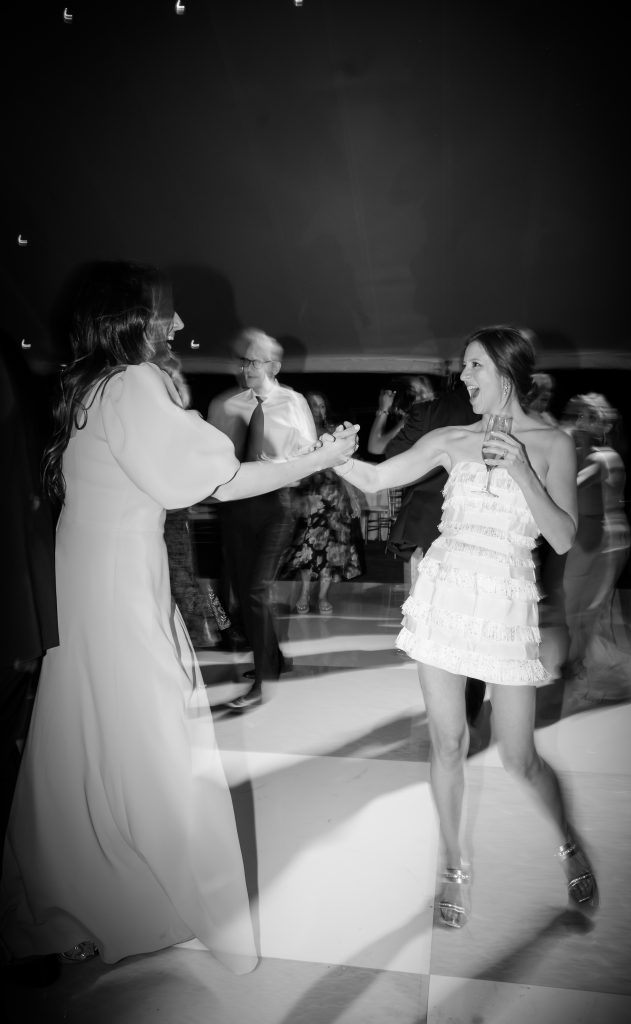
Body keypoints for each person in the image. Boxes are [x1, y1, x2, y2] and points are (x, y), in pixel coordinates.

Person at [0, 261, 358, 972]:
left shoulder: (96, 385)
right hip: (116, 587)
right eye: (167, 313)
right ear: (131, 318)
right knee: (148, 734)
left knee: (90, 733)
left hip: (99, 577)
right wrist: (319, 456)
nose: (182, 325)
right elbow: (215, 478)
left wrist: (313, 456)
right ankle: (146, 893)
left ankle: (74, 891)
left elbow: (218, 479)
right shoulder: (133, 385)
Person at [331, 325, 597, 928]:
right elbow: (375, 478)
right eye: (464, 369)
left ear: (507, 371)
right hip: (444, 597)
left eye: (475, 367)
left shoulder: (554, 444)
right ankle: (453, 866)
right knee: (448, 743)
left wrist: (523, 471)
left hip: (506, 608)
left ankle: (567, 841)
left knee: (518, 756)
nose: (464, 379)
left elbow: (560, 537)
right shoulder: (451, 438)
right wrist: (325, 457)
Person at [207, 329, 319, 710]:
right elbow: (215, 455)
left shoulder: (293, 402)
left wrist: (278, 465)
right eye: (244, 361)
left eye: (255, 361)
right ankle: (275, 658)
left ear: (273, 366)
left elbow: (310, 455)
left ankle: (263, 679)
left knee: (255, 591)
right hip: (236, 505)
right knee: (243, 590)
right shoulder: (230, 405)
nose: (247, 367)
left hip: (275, 504)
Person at [383, 371, 486, 726]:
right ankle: (469, 709)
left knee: (436, 620)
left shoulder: (431, 411)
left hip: (430, 521)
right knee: (474, 618)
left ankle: (450, 716)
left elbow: (393, 456)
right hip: (484, 530)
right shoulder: (514, 417)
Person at [560, 393, 631, 703]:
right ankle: (578, 665)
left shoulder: (602, 457)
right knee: (586, 607)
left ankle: (580, 667)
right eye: (580, 416)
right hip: (599, 535)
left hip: (608, 538)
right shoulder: (595, 453)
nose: (581, 422)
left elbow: (572, 484)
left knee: (592, 609)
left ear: (601, 423)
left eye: (588, 418)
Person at [279, 391, 366, 615]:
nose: (318, 410)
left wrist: (353, 498)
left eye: (321, 406)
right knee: (307, 548)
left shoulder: (333, 433)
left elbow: (345, 467)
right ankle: (304, 595)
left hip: (335, 499)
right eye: (313, 405)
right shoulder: (294, 434)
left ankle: (323, 596)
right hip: (309, 499)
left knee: (334, 549)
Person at [367, 375, 435, 456]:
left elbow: (374, 448)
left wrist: (384, 408)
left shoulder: (415, 419)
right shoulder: (431, 413)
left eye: (414, 392)